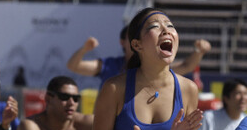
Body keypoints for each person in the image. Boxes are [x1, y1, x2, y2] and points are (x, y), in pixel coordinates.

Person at [66, 26, 212, 89]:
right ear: (122, 42)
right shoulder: (108, 65)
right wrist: (84, 49)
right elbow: (73, 66)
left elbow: (187, 66)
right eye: (132, 35)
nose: (136, 40)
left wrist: (198, 51)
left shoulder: (154, 65)